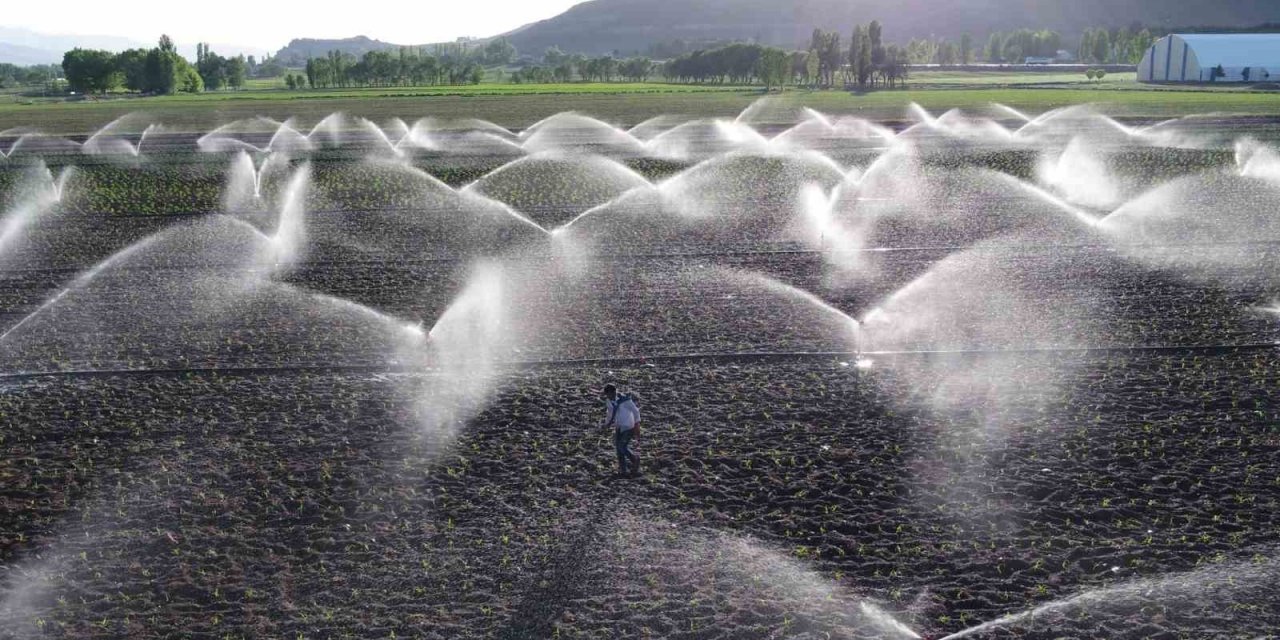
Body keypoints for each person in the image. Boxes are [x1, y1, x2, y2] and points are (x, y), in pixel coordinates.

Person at [602, 384, 641, 477]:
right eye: (607, 395)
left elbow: (635, 411)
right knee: (619, 450)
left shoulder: (625, 400)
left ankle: (635, 459)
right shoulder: (609, 401)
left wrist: (637, 423)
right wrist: (607, 423)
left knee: (622, 446)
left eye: (610, 394)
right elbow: (610, 413)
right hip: (619, 426)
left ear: (614, 392)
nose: (609, 397)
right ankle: (623, 470)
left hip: (629, 426)